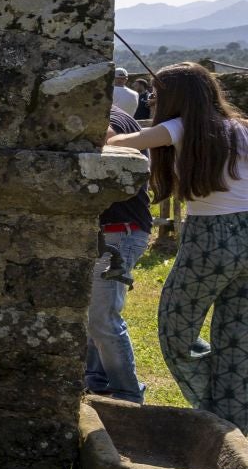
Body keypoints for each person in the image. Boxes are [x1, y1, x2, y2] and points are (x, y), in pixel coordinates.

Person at [107, 62, 248, 430]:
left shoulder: (179, 127)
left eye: (156, 95)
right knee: (237, 340)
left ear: (175, 97)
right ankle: (234, 419)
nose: (153, 101)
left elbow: (120, 142)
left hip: (209, 240)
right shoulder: (241, 129)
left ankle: (211, 400)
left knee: (175, 330)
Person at [85, 101, 150, 403]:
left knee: (102, 317)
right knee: (94, 314)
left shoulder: (109, 117)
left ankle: (128, 395)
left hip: (120, 233)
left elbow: (104, 136)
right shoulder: (116, 114)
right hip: (115, 232)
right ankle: (97, 382)